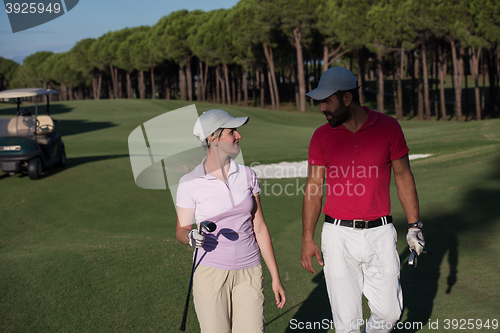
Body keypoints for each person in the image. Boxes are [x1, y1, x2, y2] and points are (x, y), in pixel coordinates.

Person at [300, 67, 425, 333]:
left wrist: (415, 225)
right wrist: (307, 237)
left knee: (390, 313)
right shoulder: (321, 136)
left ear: (347, 99)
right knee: (347, 323)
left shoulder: (388, 127)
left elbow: (403, 176)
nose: (322, 108)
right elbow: (314, 186)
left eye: (327, 101)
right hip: (337, 236)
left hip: (380, 233)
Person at [175, 109, 286, 333]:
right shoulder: (190, 182)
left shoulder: (247, 175)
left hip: (250, 271)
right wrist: (190, 237)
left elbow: (260, 227)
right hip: (211, 273)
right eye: (232, 131)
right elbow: (181, 229)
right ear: (213, 139)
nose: (239, 136)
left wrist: (275, 276)